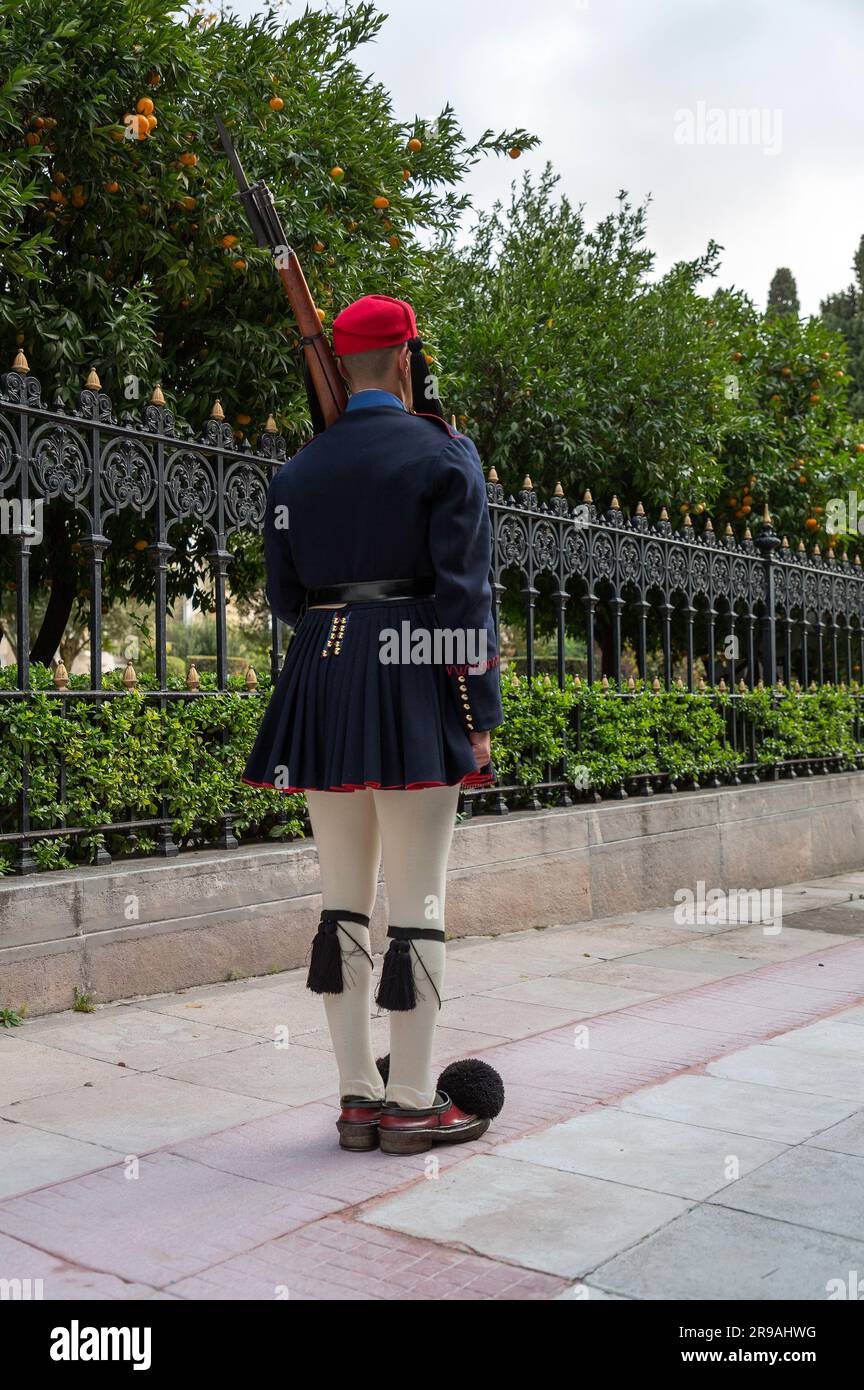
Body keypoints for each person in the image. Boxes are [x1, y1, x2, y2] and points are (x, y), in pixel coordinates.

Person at [243, 293, 503, 1155]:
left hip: (321, 674)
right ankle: (416, 1103)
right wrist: (481, 715)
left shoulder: (296, 472)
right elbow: (466, 599)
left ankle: (357, 1099)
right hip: (412, 676)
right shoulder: (444, 453)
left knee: (342, 904)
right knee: (418, 901)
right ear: (405, 360)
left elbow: (287, 599)